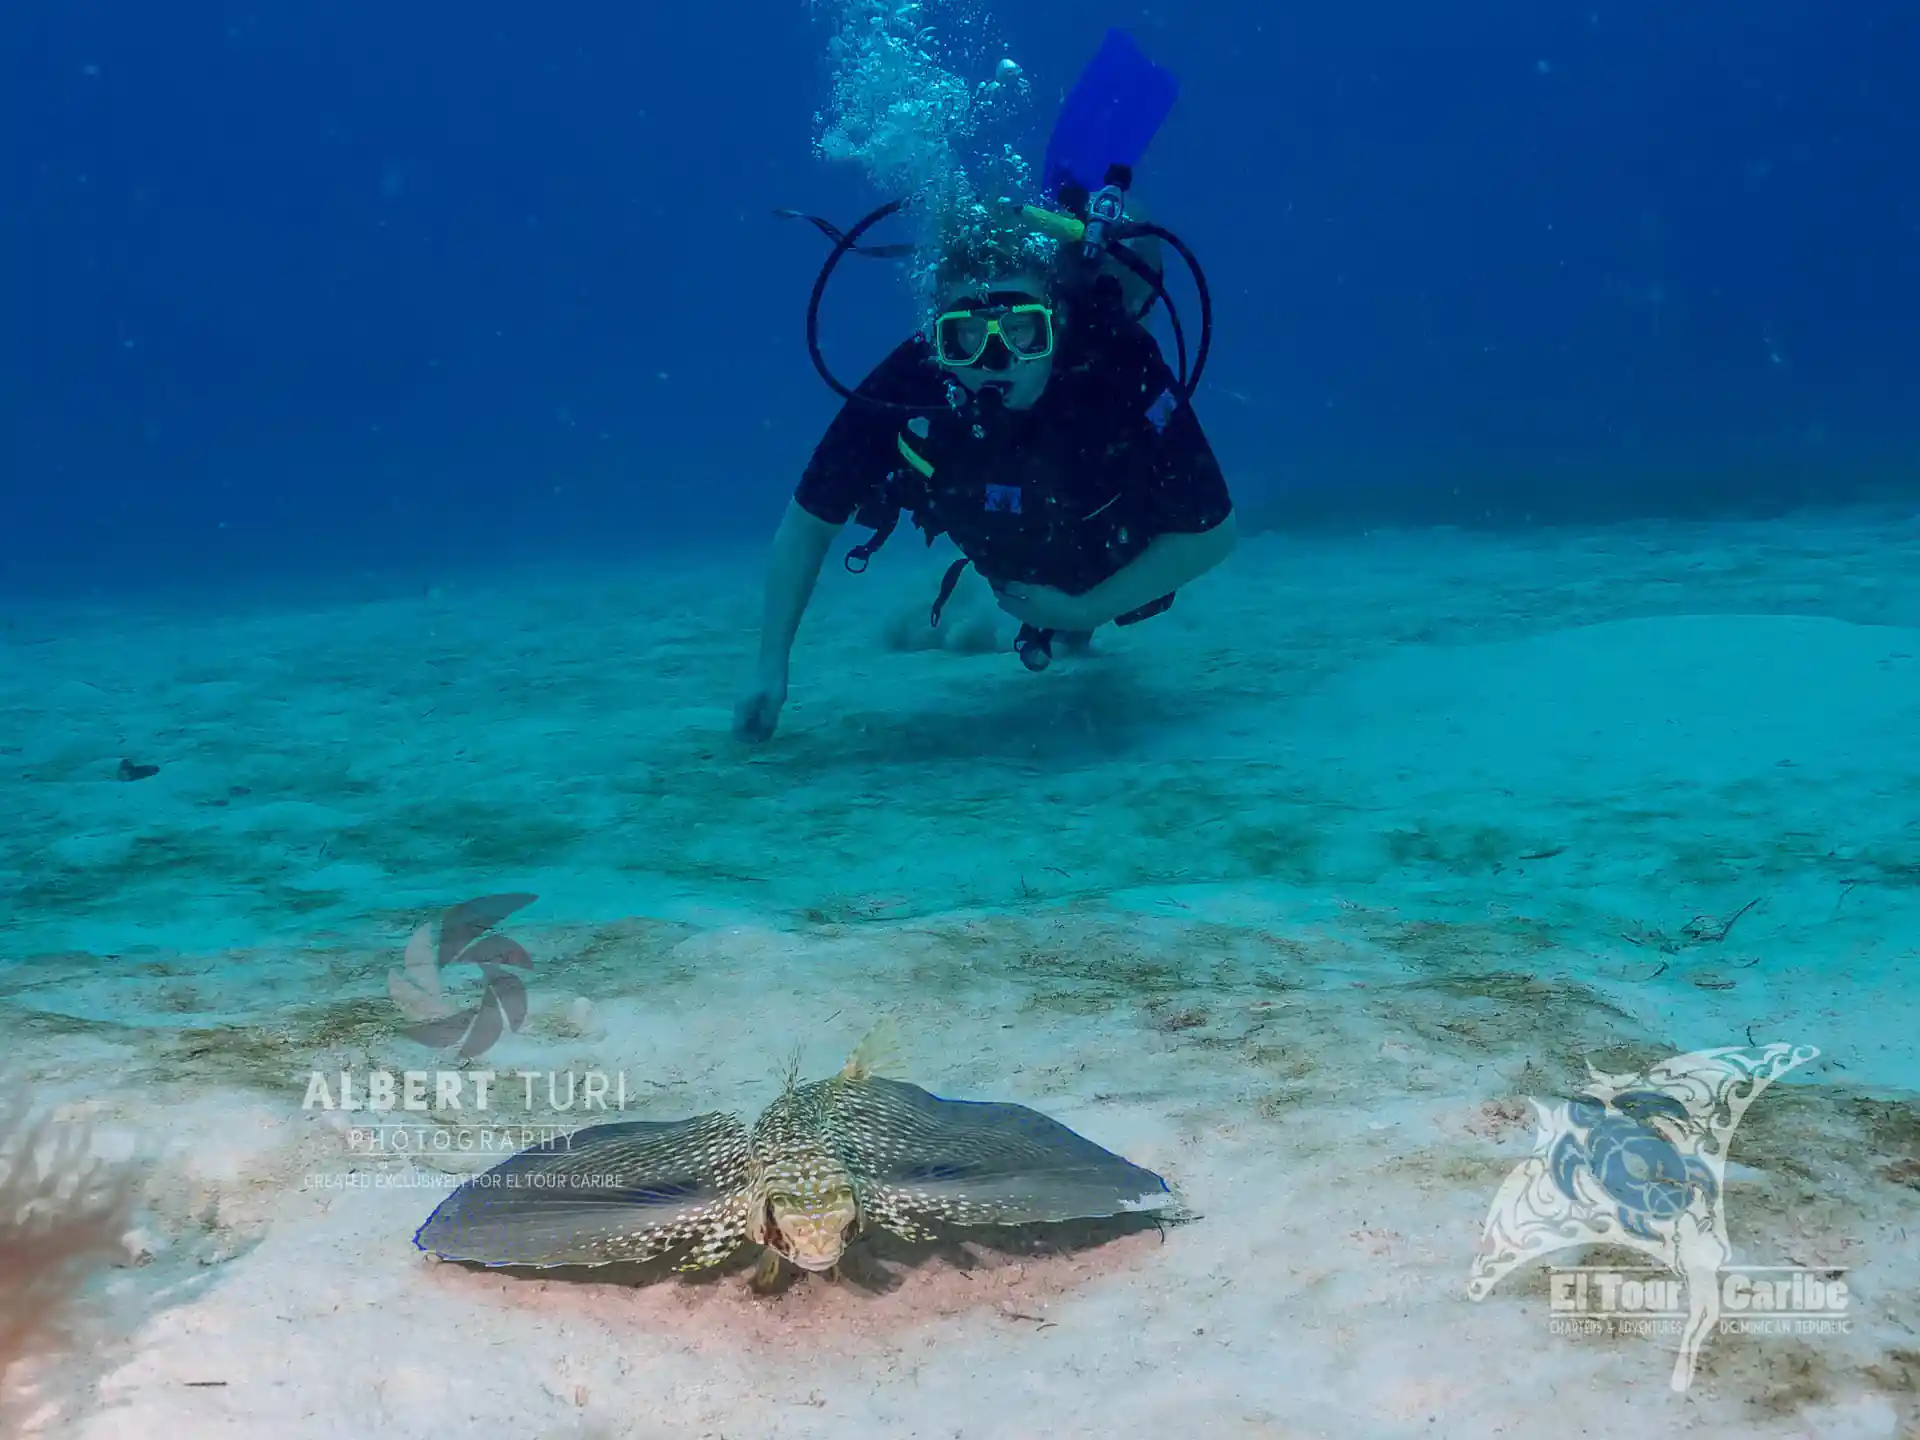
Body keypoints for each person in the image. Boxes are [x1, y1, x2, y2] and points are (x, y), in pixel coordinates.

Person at [732, 214, 1237, 742]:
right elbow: (808, 522)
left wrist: (1089, 607)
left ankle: (1070, 624)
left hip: (1108, 547)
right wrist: (770, 668)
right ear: (936, 339)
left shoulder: (1118, 364)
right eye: (965, 336)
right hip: (1005, 536)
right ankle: (1056, 622)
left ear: (1056, 321)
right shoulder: (913, 378)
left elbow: (1214, 532)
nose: (996, 358)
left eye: (1021, 329)